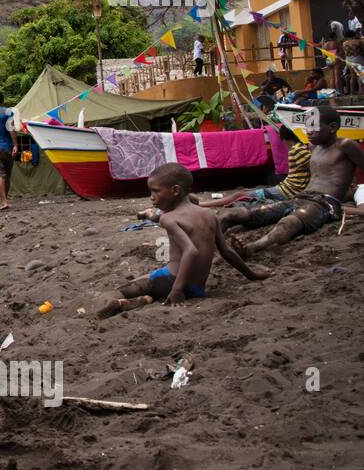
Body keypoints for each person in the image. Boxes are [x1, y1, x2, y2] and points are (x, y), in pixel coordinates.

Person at [97, 164, 269, 318]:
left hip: (173, 279)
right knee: (157, 290)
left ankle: (121, 300)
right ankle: (145, 300)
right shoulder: (210, 215)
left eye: (155, 191)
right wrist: (252, 275)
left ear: (175, 191)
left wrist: (177, 289)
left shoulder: (169, 218)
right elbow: (227, 252)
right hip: (197, 289)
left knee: (125, 289)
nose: (152, 197)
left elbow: (190, 250)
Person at [221, 108, 364, 255]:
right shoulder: (314, 147)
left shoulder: (345, 145)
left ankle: (252, 248)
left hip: (325, 203)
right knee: (245, 213)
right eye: (307, 127)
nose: (308, 131)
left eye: (314, 126)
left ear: (333, 127)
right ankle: (216, 236)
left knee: (289, 222)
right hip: (302, 197)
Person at [201, 125, 311, 209]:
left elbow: (312, 166)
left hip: (286, 192)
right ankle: (204, 204)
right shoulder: (301, 148)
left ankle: (203, 204)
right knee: (243, 194)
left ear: (284, 139)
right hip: (286, 189)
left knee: (240, 195)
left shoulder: (297, 150)